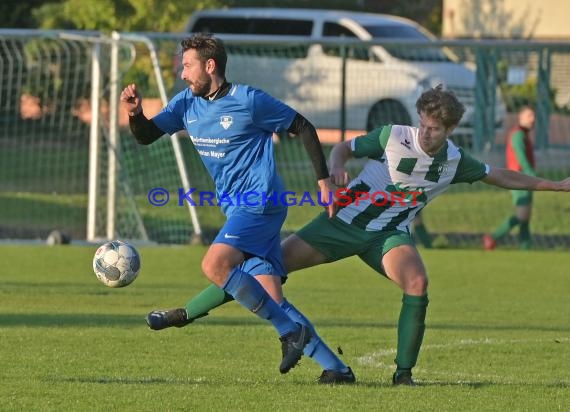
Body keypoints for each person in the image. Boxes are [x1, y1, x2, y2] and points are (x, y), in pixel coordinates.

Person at [150, 85, 570, 386]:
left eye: (435, 129)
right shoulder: (393, 138)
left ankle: (403, 376)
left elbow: (500, 174)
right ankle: (186, 313)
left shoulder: (456, 162)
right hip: (340, 224)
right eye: (423, 124)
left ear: (450, 130)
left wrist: (555, 186)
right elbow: (343, 149)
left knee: (418, 282)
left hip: (387, 236)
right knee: (264, 269)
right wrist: (335, 170)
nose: (426, 133)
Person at [120, 33, 355, 381]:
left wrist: (323, 182)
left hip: (261, 202)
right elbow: (146, 135)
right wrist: (135, 114)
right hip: (238, 209)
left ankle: (290, 333)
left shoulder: (249, 100)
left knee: (215, 263)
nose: (182, 73)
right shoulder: (186, 104)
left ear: (209, 65)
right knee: (271, 295)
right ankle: (337, 369)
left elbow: (302, 126)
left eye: (187, 65)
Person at [483, 106, 537, 250]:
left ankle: (526, 248)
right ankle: (492, 238)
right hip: (519, 180)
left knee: (525, 217)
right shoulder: (518, 135)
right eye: (529, 116)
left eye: (533, 116)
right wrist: (532, 175)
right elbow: (521, 159)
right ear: (520, 118)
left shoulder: (522, 134)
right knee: (522, 216)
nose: (533, 119)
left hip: (524, 179)